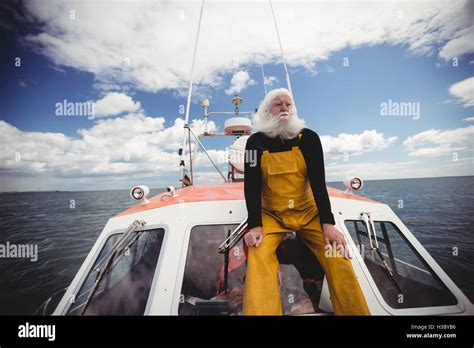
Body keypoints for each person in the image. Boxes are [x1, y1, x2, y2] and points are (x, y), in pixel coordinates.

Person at [242, 88, 371, 315]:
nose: (284, 107)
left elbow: (319, 184)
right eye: (277, 104)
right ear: (266, 111)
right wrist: (255, 225)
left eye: (288, 104)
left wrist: (328, 224)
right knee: (258, 256)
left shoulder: (309, 138)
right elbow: (251, 186)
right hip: (272, 215)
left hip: (309, 212)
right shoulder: (254, 143)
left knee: (338, 255)